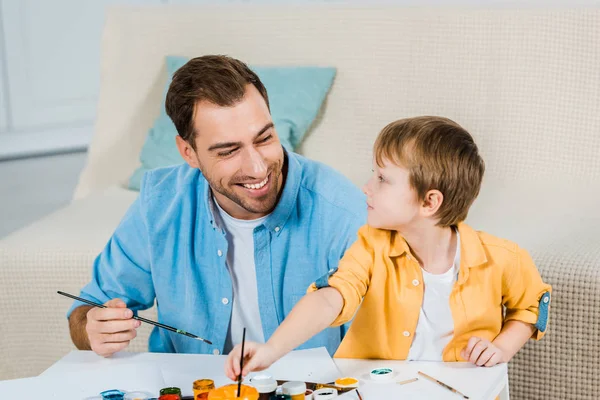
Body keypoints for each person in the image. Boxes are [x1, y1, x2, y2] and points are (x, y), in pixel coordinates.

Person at [67, 55, 366, 357]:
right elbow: (85, 312)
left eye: (264, 138)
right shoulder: (159, 204)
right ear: (189, 153)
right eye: (229, 151)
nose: (257, 167)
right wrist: (95, 327)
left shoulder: (343, 212)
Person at [225, 116, 552, 379]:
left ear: (428, 202)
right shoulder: (370, 248)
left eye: (382, 179)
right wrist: (271, 350)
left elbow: (531, 305)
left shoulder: (502, 258)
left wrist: (503, 347)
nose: (367, 187)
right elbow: (330, 298)